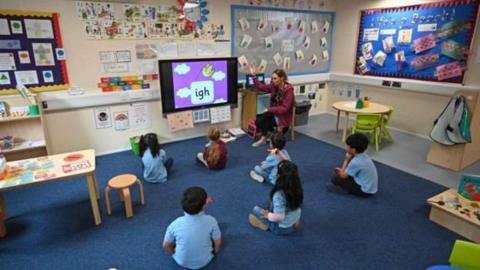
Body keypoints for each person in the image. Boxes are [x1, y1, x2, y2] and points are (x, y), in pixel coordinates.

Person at [163, 187, 222, 269]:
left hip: (181, 261)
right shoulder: (211, 221)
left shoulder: (174, 224)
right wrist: (215, 252)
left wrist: (173, 254)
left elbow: (166, 245)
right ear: (204, 205)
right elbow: (218, 243)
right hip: (206, 260)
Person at [249, 160, 303, 235]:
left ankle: (266, 225)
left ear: (279, 176)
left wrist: (268, 215)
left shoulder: (279, 195)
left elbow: (279, 217)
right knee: (270, 205)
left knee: (256, 209)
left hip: (281, 228)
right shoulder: (297, 186)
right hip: (295, 221)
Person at [249, 65, 295, 147]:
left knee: (265, 117)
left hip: (283, 119)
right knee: (259, 121)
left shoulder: (289, 91)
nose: (273, 80)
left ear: (282, 78)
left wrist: (270, 109)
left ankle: (264, 139)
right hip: (274, 115)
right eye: (272, 78)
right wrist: (254, 76)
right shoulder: (274, 86)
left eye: (275, 78)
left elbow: (284, 108)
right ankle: (268, 137)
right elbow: (260, 86)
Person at [327, 133, 378, 197]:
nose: (346, 147)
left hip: (365, 191)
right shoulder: (364, 156)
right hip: (370, 187)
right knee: (344, 175)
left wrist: (346, 159)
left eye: (347, 146)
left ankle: (345, 190)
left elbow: (343, 176)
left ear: (353, 149)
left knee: (335, 179)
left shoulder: (356, 161)